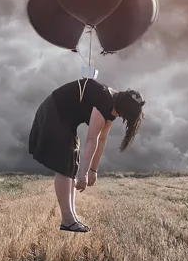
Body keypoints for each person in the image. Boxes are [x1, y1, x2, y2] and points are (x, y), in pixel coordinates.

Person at [27, 78, 145, 232]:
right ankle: (68, 220)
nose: (122, 119)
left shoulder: (112, 107)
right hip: (54, 111)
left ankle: (71, 217)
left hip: (64, 119)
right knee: (64, 165)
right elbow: (92, 139)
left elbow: (102, 139)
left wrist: (93, 170)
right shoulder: (105, 100)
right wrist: (83, 174)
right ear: (123, 108)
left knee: (71, 164)